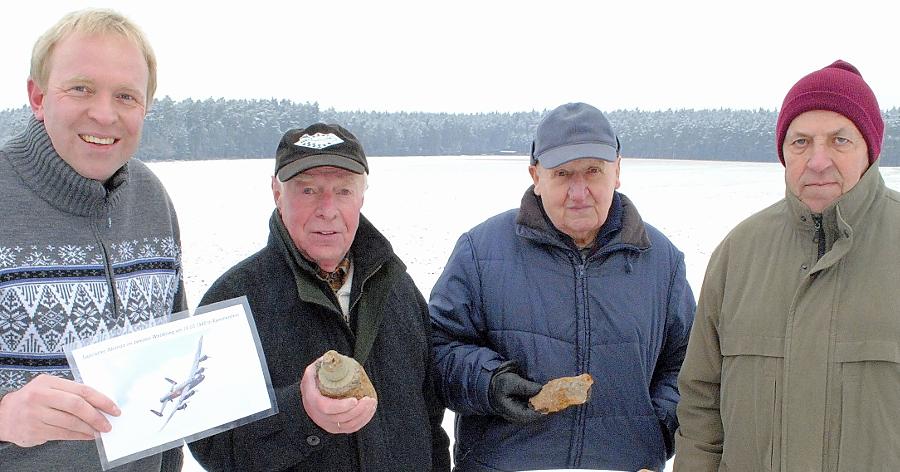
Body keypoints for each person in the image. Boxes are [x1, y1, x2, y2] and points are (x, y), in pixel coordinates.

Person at [430, 102, 696, 471]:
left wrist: (660, 428)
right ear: (535, 176)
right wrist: (490, 383)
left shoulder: (662, 260)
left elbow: (687, 364)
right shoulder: (480, 251)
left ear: (617, 171)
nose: (579, 191)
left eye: (593, 171)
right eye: (562, 174)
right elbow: (438, 349)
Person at [674, 60, 899, 471]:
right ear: (783, 152)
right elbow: (701, 405)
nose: (817, 160)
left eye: (839, 140)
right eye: (800, 142)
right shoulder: (739, 253)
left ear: (870, 149)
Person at [188, 123, 451, 471]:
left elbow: (430, 423)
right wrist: (302, 414)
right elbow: (212, 445)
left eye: (343, 190)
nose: (328, 209)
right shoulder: (232, 300)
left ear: (362, 195)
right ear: (276, 192)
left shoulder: (398, 290)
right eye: (308, 190)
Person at [0, 8, 186, 472]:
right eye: (81, 88)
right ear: (38, 96)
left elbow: (175, 370)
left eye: (126, 96)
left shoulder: (152, 201)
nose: (104, 114)